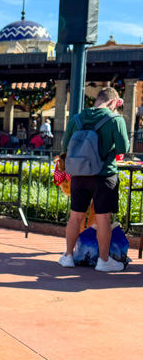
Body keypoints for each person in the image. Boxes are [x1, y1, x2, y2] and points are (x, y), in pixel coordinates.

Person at [58, 87, 129, 272]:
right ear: (113, 102)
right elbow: (123, 148)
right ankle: (103, 261)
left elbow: (65, 146)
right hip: (104, 175)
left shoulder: (77, 119)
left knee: (75, 216)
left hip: (79, 175)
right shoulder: (115, 119)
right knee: (104, 219)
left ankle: (68, 256)